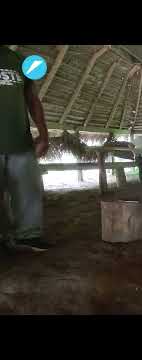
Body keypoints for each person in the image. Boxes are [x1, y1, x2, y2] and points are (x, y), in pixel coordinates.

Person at [0, 45, 51, 252]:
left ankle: (28, 236)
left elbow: (32, 99)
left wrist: (43, 133)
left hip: (20, 141)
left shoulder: (18, 61)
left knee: (28, 189)